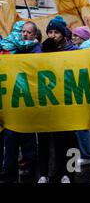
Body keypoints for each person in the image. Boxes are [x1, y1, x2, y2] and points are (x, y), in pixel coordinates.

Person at [38, 16, 78, 183]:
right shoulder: (43, 49)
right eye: (50, 32)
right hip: (46, 102)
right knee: (44, 140)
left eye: (56, 32)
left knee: (68, 140)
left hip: (67, 101)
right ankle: (44, 173)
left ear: (63, 34)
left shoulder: (73, 50)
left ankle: (69, 173)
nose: (53, 35)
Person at [0, 22, 40, 183]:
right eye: (23, 31)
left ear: (34, 35)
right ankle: (9, 169)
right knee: (10, 137)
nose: (24, 34)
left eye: (28, 32)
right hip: (12, 100)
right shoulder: (12, 49)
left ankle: (29, 167)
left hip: (27, 101)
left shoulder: (36, 50)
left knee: (27, 136)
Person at [71, 26, 90, 166]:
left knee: (81, 124)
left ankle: (87, 155)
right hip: (89, 91)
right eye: (73, 35)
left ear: (83, 38)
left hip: (85, 91)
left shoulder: (83, 51)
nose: (73, 38)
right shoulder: (89, 48)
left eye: (76, 36)